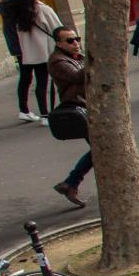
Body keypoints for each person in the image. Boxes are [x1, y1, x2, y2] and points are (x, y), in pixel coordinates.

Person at [0, 0, 61, 125]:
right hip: (38, 49)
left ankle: (25, 109)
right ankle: (45, 114)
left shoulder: (11, 7)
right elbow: (57, 28)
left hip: (23, 48)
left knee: (25, 78)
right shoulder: (39, 8)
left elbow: (10, 30)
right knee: (42, 80)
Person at [47, 25, 93, 208]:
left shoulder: (76, 56)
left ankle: (70, 183)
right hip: (79, 107)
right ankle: (71, 183)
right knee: (104, 148)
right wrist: (93, 59)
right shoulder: (57, 61)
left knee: (102, 149)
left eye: (77, 39)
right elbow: (76, 77)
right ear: (59, 43)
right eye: (70, 40)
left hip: (89, 106)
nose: (76, 43)